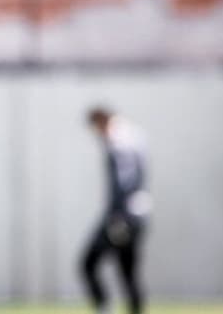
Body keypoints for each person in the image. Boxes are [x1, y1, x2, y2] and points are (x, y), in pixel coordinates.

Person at [81, 106, 151, 314]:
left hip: (123, 216)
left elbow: (125, 182)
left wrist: (117, 216)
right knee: (128, 272)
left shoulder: (119, 142)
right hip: (138, 213)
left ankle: (103, 309)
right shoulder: (134, 135)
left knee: (88, 263)